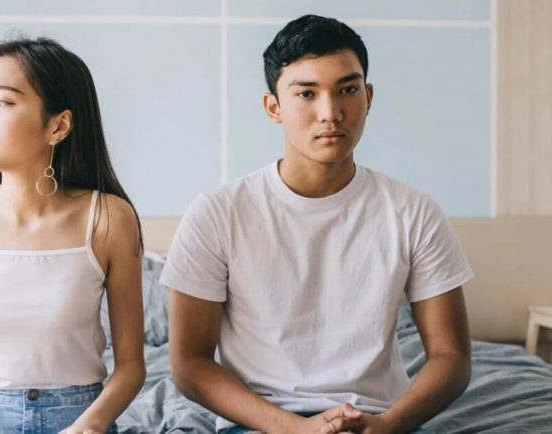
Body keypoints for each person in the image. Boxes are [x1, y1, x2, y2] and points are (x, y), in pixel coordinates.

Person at [162, 15, 473, 434]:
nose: (331, 113)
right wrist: (295, 428)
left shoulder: (413, 211)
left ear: (369, 96)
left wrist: (392, 423)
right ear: (273, 108)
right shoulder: (218, 212)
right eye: (306, 93)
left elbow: (451, 356)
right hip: (261, 423)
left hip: (378, 420)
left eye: (347, 90)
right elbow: (190, 365)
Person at [0, 37, 145, 434]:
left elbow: (131, 367)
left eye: (3, 102)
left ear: (57, 125)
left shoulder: (109, 218)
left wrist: (87, 427)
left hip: (83, 420)